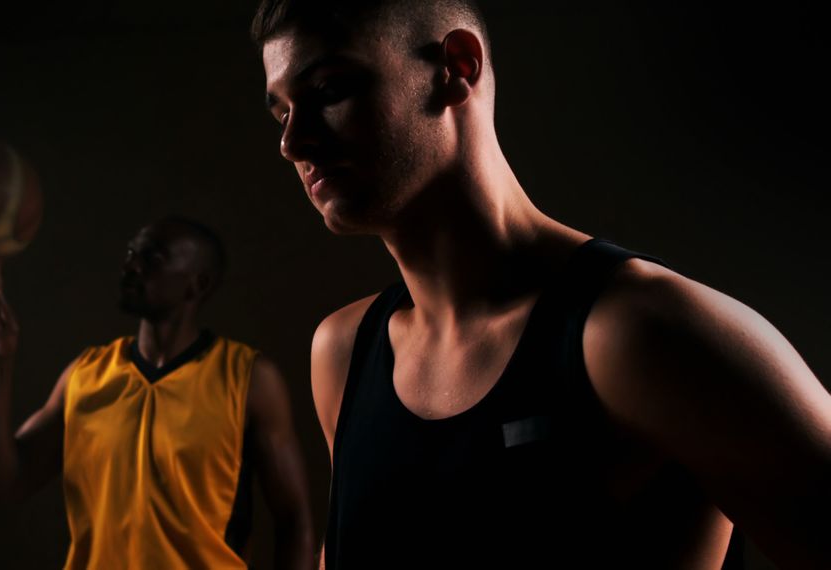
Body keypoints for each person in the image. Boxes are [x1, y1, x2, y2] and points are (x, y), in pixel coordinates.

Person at [253, 1, 831, 568]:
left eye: (329, 91)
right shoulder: (345, 351)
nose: (292, 143)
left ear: (456, 67)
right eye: (282, 113)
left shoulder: (639, 335)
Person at [0, 217, 314, 569]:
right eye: (132, 253)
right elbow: (0, 490)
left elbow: (294, 521)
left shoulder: (248, 379)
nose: (131, 264)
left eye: (153, 258)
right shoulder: (85, 375)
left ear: (198, 283)